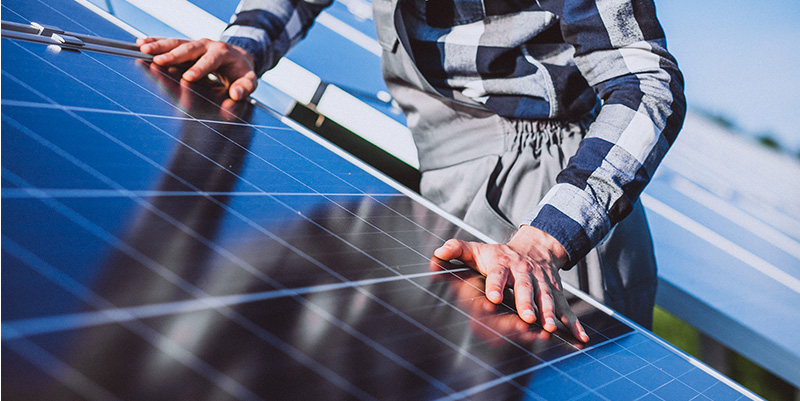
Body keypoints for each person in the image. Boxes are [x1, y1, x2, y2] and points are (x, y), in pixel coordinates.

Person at [138, 0, 685, 343]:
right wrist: (246, 45)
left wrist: (542, 244)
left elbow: (645, 85)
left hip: (549, 200)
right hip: (446, 185)